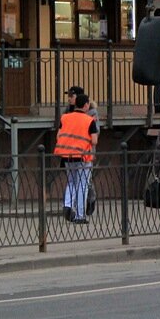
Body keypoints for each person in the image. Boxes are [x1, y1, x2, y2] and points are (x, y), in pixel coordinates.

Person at [54, 93, 99, 224]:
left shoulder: (65, 117)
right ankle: (80, 216)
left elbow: (59, 136)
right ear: (85, 105)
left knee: (71, 182)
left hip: (67, 156)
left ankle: (67, 206)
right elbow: (94, 140)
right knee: (82, 185)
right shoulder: (89, 120)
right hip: (83, 157)